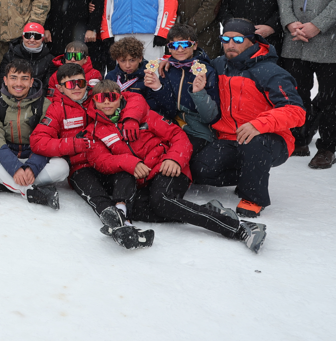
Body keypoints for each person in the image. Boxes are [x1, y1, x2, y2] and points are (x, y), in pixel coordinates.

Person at [88, 80, 266, 253]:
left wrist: (174, 159)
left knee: (162, 200)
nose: (106, 102)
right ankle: (206, 210)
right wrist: (130, 162)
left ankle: (238, 227)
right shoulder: (93, 130)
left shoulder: (145, 115)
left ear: (119, 97)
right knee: (132, 208)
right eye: (100, 98)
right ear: (94, 101)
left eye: (111, 97)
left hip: (167, 167)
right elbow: (101, 160)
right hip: (143, 177)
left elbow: (178, 136)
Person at [32, 63, 155, 250]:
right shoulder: (57, 109)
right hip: (81, 165)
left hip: (109, 156)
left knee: (125, 173)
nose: (77, 88)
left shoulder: (97, 96)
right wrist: (74, 144)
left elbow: (134, 98)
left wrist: (131, 118)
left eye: (80, 83)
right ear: (60, 88)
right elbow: (38, 141)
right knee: (95, 193)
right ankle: (121, 226)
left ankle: (122, 218)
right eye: (70, 85)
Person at [190, 19, 305, 218]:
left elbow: (295, 110)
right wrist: (168, 60)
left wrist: (259, 124)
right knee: (200, 169)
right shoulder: (218, 65)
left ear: (251, 41)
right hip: (229, 138)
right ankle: (249, 176)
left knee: (255, 142)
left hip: (270, 139)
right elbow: (193, 63)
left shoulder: (270, 72)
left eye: (237, 39)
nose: (230, 44)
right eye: (226, 39)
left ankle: (253, 197)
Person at [277, 0, 336, 166]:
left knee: (330, 97)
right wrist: (290, 22)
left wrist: (317, 25)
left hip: (328, 40)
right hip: (296, 38)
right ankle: (299, 138)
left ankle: (327, 147)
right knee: (297, 93)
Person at [0, 60, 67, 208]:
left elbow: (46, 140)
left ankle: (3, 184)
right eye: (13, 77)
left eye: (24, 78)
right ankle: (30, 191)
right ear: (5, 80)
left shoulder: (44, 104)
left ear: (32, 82)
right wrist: (14, 168)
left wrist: (32, 168)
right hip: (7, 157)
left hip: (34, 155)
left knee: (62, 167)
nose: (18, 83)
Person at [143, 24, 220, 152]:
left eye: (185, 44)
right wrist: (158, 88)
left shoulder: (207, 71)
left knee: (178, 159)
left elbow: (210, 117)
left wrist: (199, 93)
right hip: (173, 128)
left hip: (199, 131)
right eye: (174, 45)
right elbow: (170, 111)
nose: (179, 50)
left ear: (195, 45)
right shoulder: (168, 69)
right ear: (169, 48)